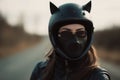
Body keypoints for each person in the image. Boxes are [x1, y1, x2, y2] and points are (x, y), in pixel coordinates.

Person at [30, 1, 111, 80]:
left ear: (88, 36)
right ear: (55, 37)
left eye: (81, 32)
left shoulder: (98, 77)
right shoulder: (40, 70)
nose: (75, 40)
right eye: (65, 33)